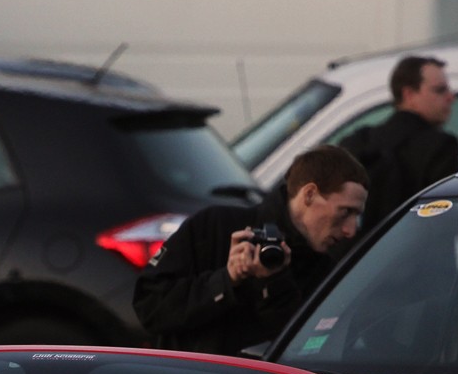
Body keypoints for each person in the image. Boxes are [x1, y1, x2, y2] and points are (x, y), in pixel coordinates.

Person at [133, 145, 368, 356]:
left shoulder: (323, 270)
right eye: (345, 212)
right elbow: (150, 308)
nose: (350, 230)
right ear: (309, 194)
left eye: (357, 215)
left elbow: (304, 351)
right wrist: (226, 280)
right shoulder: (214, 226)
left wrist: (274, 281)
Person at [338, 55, 458, 230]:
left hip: (363, 254)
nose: (451, 97)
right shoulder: (440, 146)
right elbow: (446, 218)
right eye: (440, 90)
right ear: (409, 94)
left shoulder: (360, 141)